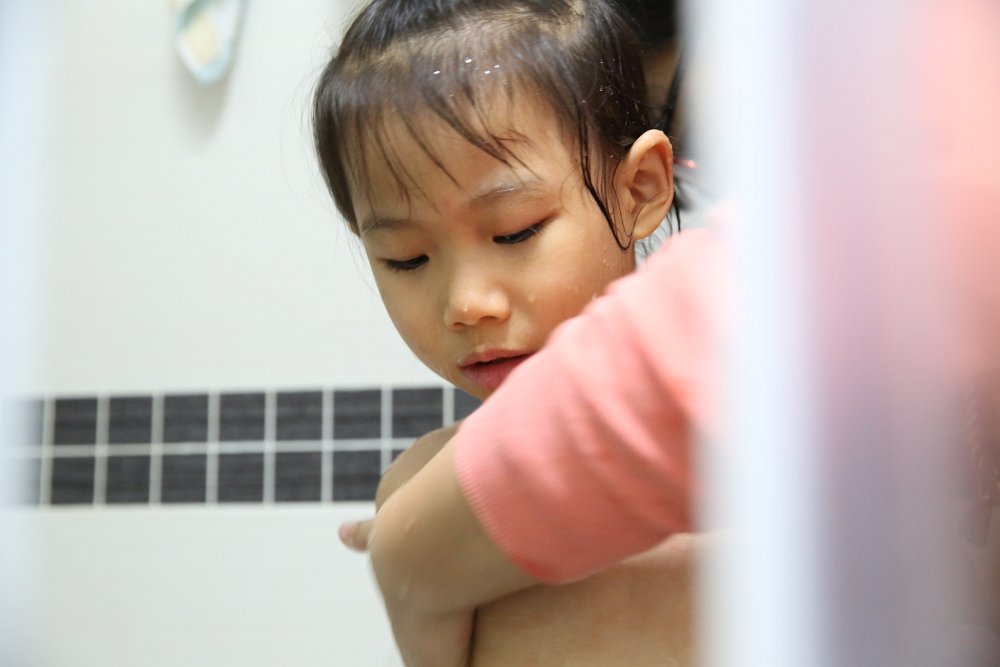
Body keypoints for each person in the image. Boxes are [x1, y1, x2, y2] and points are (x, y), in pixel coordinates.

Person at [312, 0, 711, 664]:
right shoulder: (425, 488)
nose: (466, 305)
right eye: (406, 259)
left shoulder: (752, 448)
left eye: (516, 232)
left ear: (640, 188)